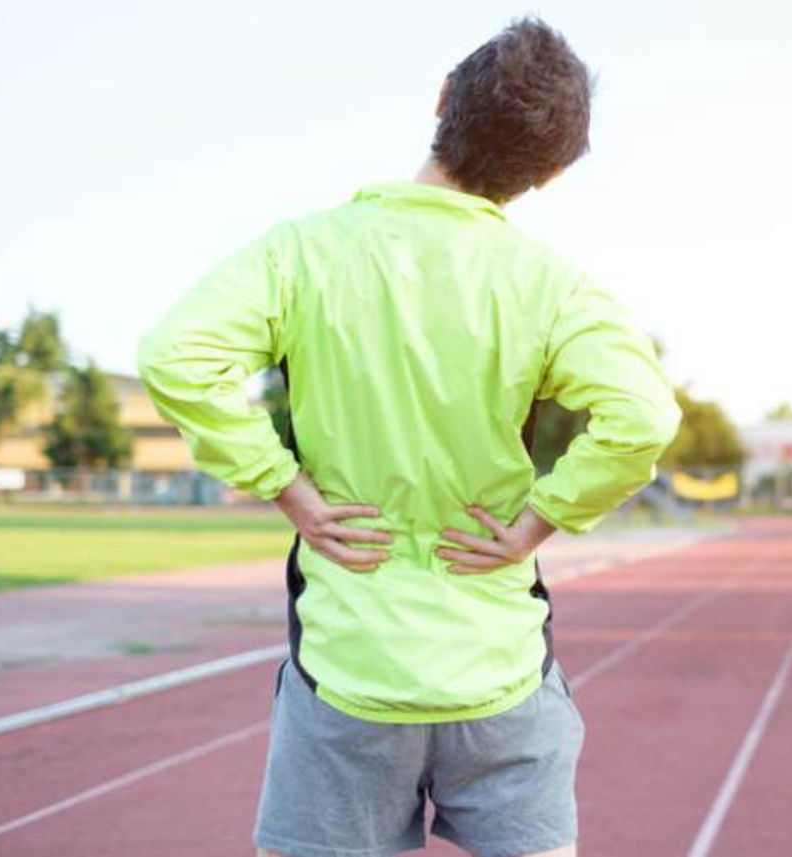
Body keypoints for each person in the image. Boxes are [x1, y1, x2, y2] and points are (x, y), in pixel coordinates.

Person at [136, 16, 681, 857]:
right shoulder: (552, 286)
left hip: (351, 670)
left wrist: (285, 484)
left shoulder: (306, 251)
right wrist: (544, 518)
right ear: (552, 171)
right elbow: (643, 416)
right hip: (498, 669)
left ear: (441, 101)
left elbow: (176, 356)